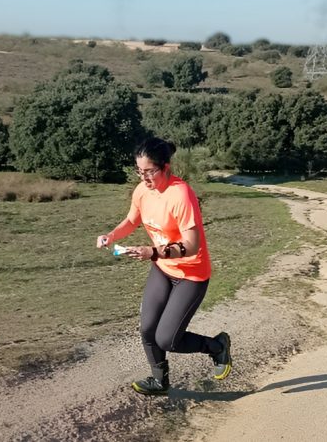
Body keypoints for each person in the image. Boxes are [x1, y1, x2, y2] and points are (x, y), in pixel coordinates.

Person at [96, 136, 232, 396]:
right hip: (163, 269)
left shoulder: (180, 194)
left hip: (191, 274)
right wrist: (111, 236)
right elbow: (131, 220)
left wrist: (153, 251)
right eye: (140, 172)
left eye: (150, 172)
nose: (145, 178)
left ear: (166, 167)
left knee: (167, 339)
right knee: (147, 329)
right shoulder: (142, 191)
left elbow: (191, 245)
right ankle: (159, 381)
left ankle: (217, 347)